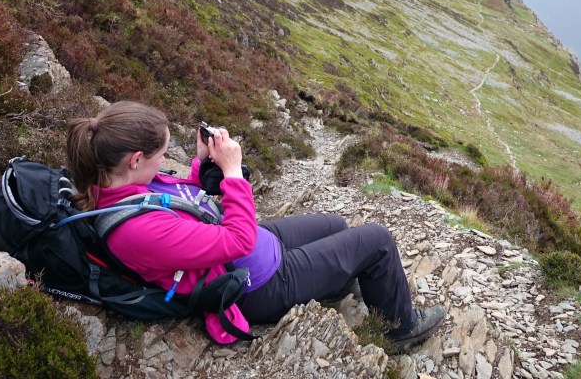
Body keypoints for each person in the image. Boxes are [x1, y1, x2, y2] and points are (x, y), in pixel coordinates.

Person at [66, 101, 445, 348]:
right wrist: (232, 173)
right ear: (135, 159)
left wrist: (201, 163)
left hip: (253, 250)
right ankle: (400, 329)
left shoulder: (124, 184)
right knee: (377, 240)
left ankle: (338, 283)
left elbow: (183, 195)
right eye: (162, 154)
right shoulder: (136, 232)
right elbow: (238, 239)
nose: (166, 160)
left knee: (337, 223)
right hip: (256, 285)